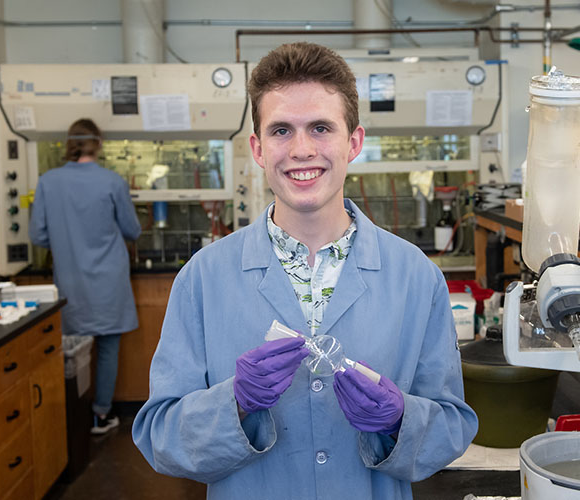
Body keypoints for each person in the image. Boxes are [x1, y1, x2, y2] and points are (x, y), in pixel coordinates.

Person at [132, 42, 477, 499]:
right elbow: (161, 437)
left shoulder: (415, 277)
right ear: (257, 148)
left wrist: (400, 421)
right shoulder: (203, 279)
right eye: (280, 130)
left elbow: (450, 428)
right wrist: (233, 404)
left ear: (354, 142)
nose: (301, 150)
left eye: (320, 128)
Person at [30, 118, 141, 435]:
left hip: (70, 281)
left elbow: (37, 235)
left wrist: (68, 239)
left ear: (69, 143)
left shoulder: (48, 182)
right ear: (99, 144)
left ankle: (70, 417)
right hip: (108, 282)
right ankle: (101, 415)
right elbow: (132, 230)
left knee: (69, 351)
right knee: (107, 349)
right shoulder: (112, 182)